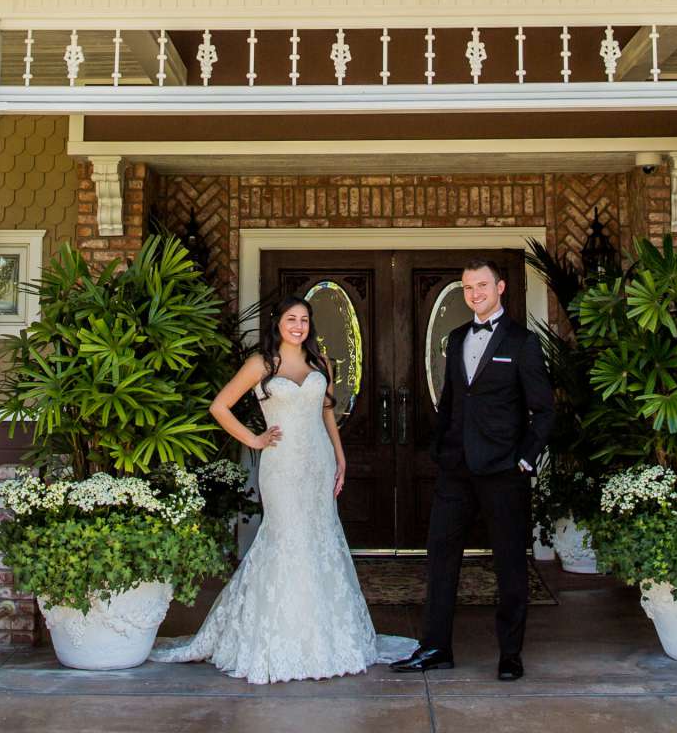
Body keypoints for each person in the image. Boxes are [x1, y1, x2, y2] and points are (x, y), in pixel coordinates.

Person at [151, 297, 415, 683]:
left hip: (318, 464)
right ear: (278, 324)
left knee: (319, 540)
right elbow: (219, 406)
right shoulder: (262, 364)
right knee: (286, 539)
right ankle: (280, 638)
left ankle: (324, 637)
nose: (299, 326)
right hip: (283, 468)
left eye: (305, 320)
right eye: (292, 319)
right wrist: (254, 440)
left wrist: (340, 458)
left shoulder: (320, 363)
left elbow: (327, 413)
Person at [390, 257, 554, 682]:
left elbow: (545, 410)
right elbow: (451, 402)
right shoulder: (458, 336)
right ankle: (435, 647)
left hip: (504, 471)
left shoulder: (522, 342)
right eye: (467, 288)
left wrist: (525, 458)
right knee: (441, 558)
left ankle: (510, 654)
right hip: (455, 469)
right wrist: (440, 450)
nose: (474, 294)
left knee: (509, 565)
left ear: (501, 288)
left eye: (482, 285)